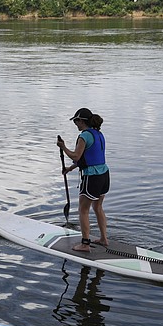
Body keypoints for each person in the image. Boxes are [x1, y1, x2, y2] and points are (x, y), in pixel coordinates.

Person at [56, 108, 110, 252]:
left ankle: (85, 244)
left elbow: (76, 156)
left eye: (76, 121)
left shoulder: (84, 136)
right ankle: (104, 239)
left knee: (83, 210)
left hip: (92, 177)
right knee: (97, 207)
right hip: (104, 174)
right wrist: (70, 168)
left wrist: (63, 147)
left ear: (82, 121)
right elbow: (91, 157)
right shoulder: (98, 134)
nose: (75, 124)